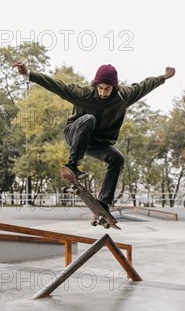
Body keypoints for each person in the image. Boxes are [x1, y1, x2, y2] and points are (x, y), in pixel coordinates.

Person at [12, 61, 176, 212]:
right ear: (96, 85)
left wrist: (164, 77)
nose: (103, 93)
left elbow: (145, 86)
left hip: (96, 143)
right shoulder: (83, 94)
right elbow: (57, 86)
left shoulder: (124, 97)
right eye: (100, 88)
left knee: (118, 158)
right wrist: (29, 74)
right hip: (75, 134)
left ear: (114, 87)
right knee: (89, 119)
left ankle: (104, 203)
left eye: (107, 89)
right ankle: (72, 165)